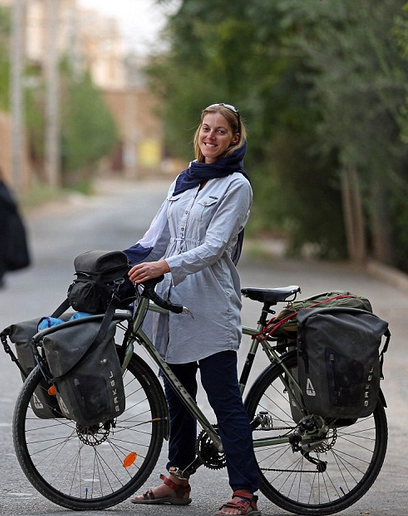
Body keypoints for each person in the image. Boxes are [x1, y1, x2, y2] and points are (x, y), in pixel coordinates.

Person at [126, 103, 261, 516]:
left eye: (220, 131)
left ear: (234, 138)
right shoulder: (185, 180)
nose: (210, 136)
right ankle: (177, 479)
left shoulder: (236, 186)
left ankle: (245, 493)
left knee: (224, 400)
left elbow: (215, 247)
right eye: (205, 129)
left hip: (211, 303)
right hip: (174, 303)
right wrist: (122, 264)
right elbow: (157, 237)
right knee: (178, 396)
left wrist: (164, 266)